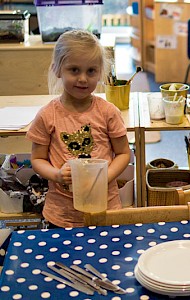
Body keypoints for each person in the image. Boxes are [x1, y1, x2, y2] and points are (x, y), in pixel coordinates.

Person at [26, 30, 131, 228]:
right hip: (61, 215)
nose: (83, 78)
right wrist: (56, 174)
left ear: (100, 72)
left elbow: (124, 153)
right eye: (74, 70)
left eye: (91, 71)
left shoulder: (108, 112)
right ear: (57, 69)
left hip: (105, 210)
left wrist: (103, 176)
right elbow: (37, 159)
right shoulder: (47, 115)